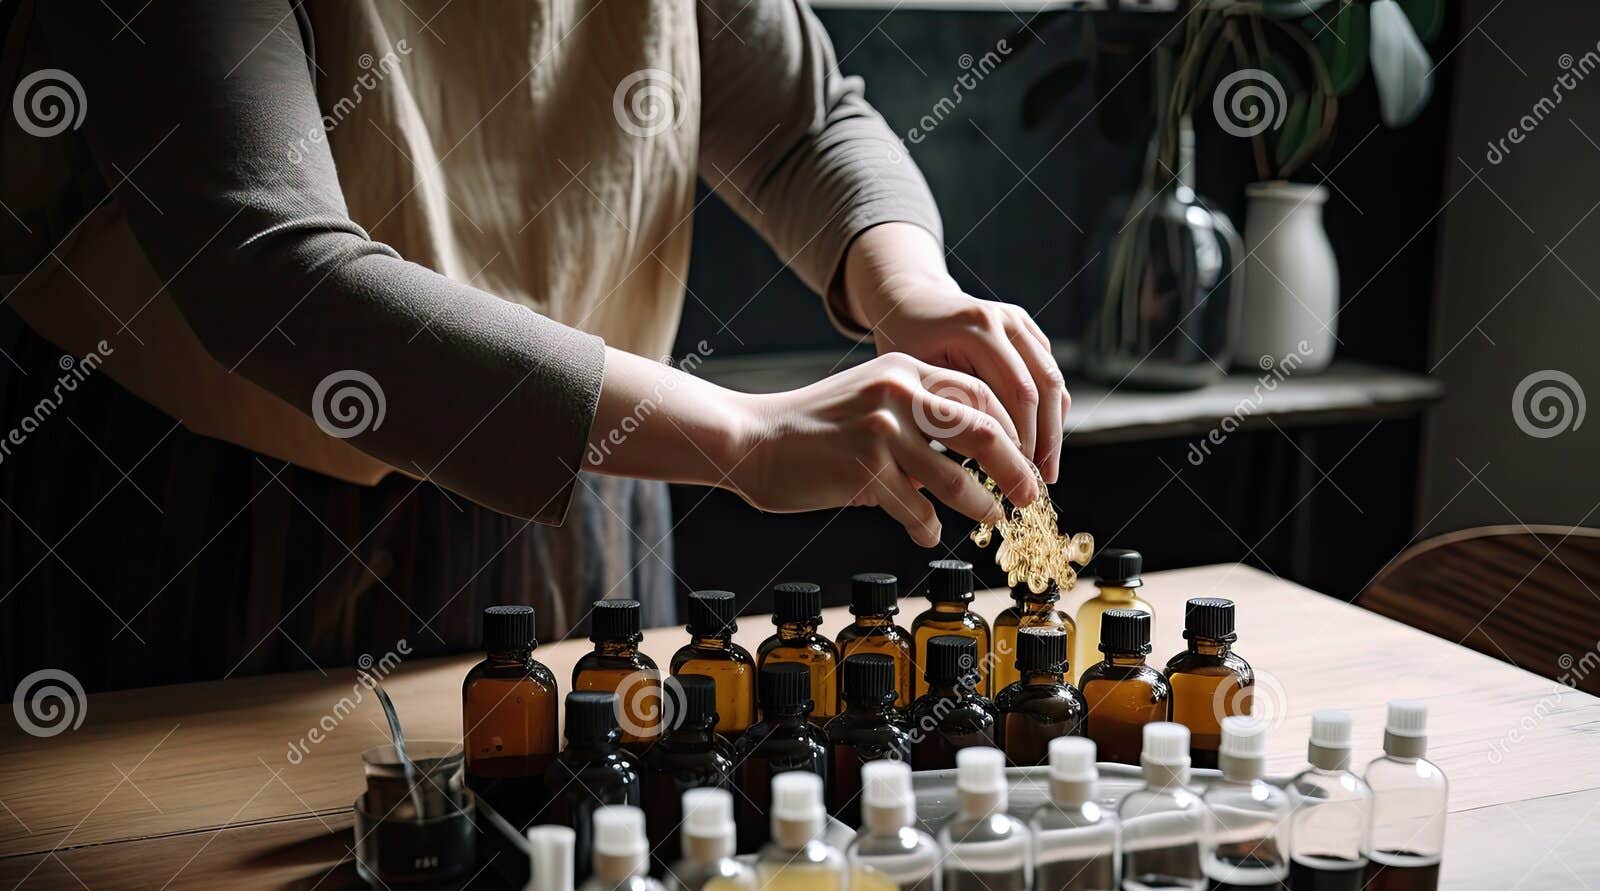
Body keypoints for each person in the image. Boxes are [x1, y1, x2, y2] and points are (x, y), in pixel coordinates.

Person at [0, 0, 1066, 689]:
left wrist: (913, 288)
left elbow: (804, 123)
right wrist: (744, 435)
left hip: (586, 483)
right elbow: (264, 265)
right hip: (214, 507)